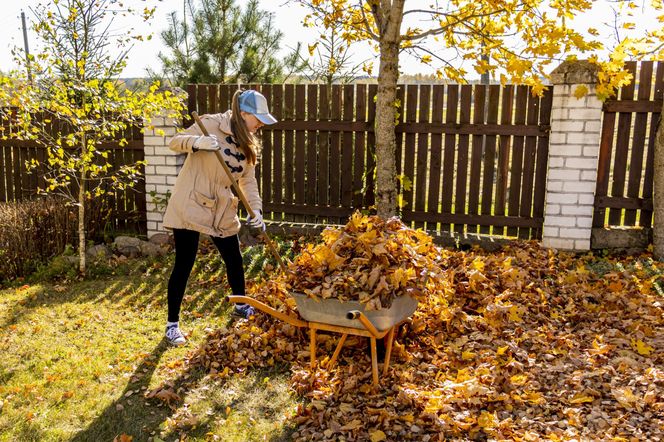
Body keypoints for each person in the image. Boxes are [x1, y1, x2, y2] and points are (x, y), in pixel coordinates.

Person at [161, 89, 277, 346]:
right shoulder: (210, 123)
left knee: (234, 258)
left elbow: (248, 180)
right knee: (185, 262)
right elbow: (174, 142)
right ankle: (172, 325)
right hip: (191, 201)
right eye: (257, 118)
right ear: (243, 113)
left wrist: (255, 210)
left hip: (222, 208)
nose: (260, 124)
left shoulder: (248, 141)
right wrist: (197, 143)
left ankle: (240, 305)